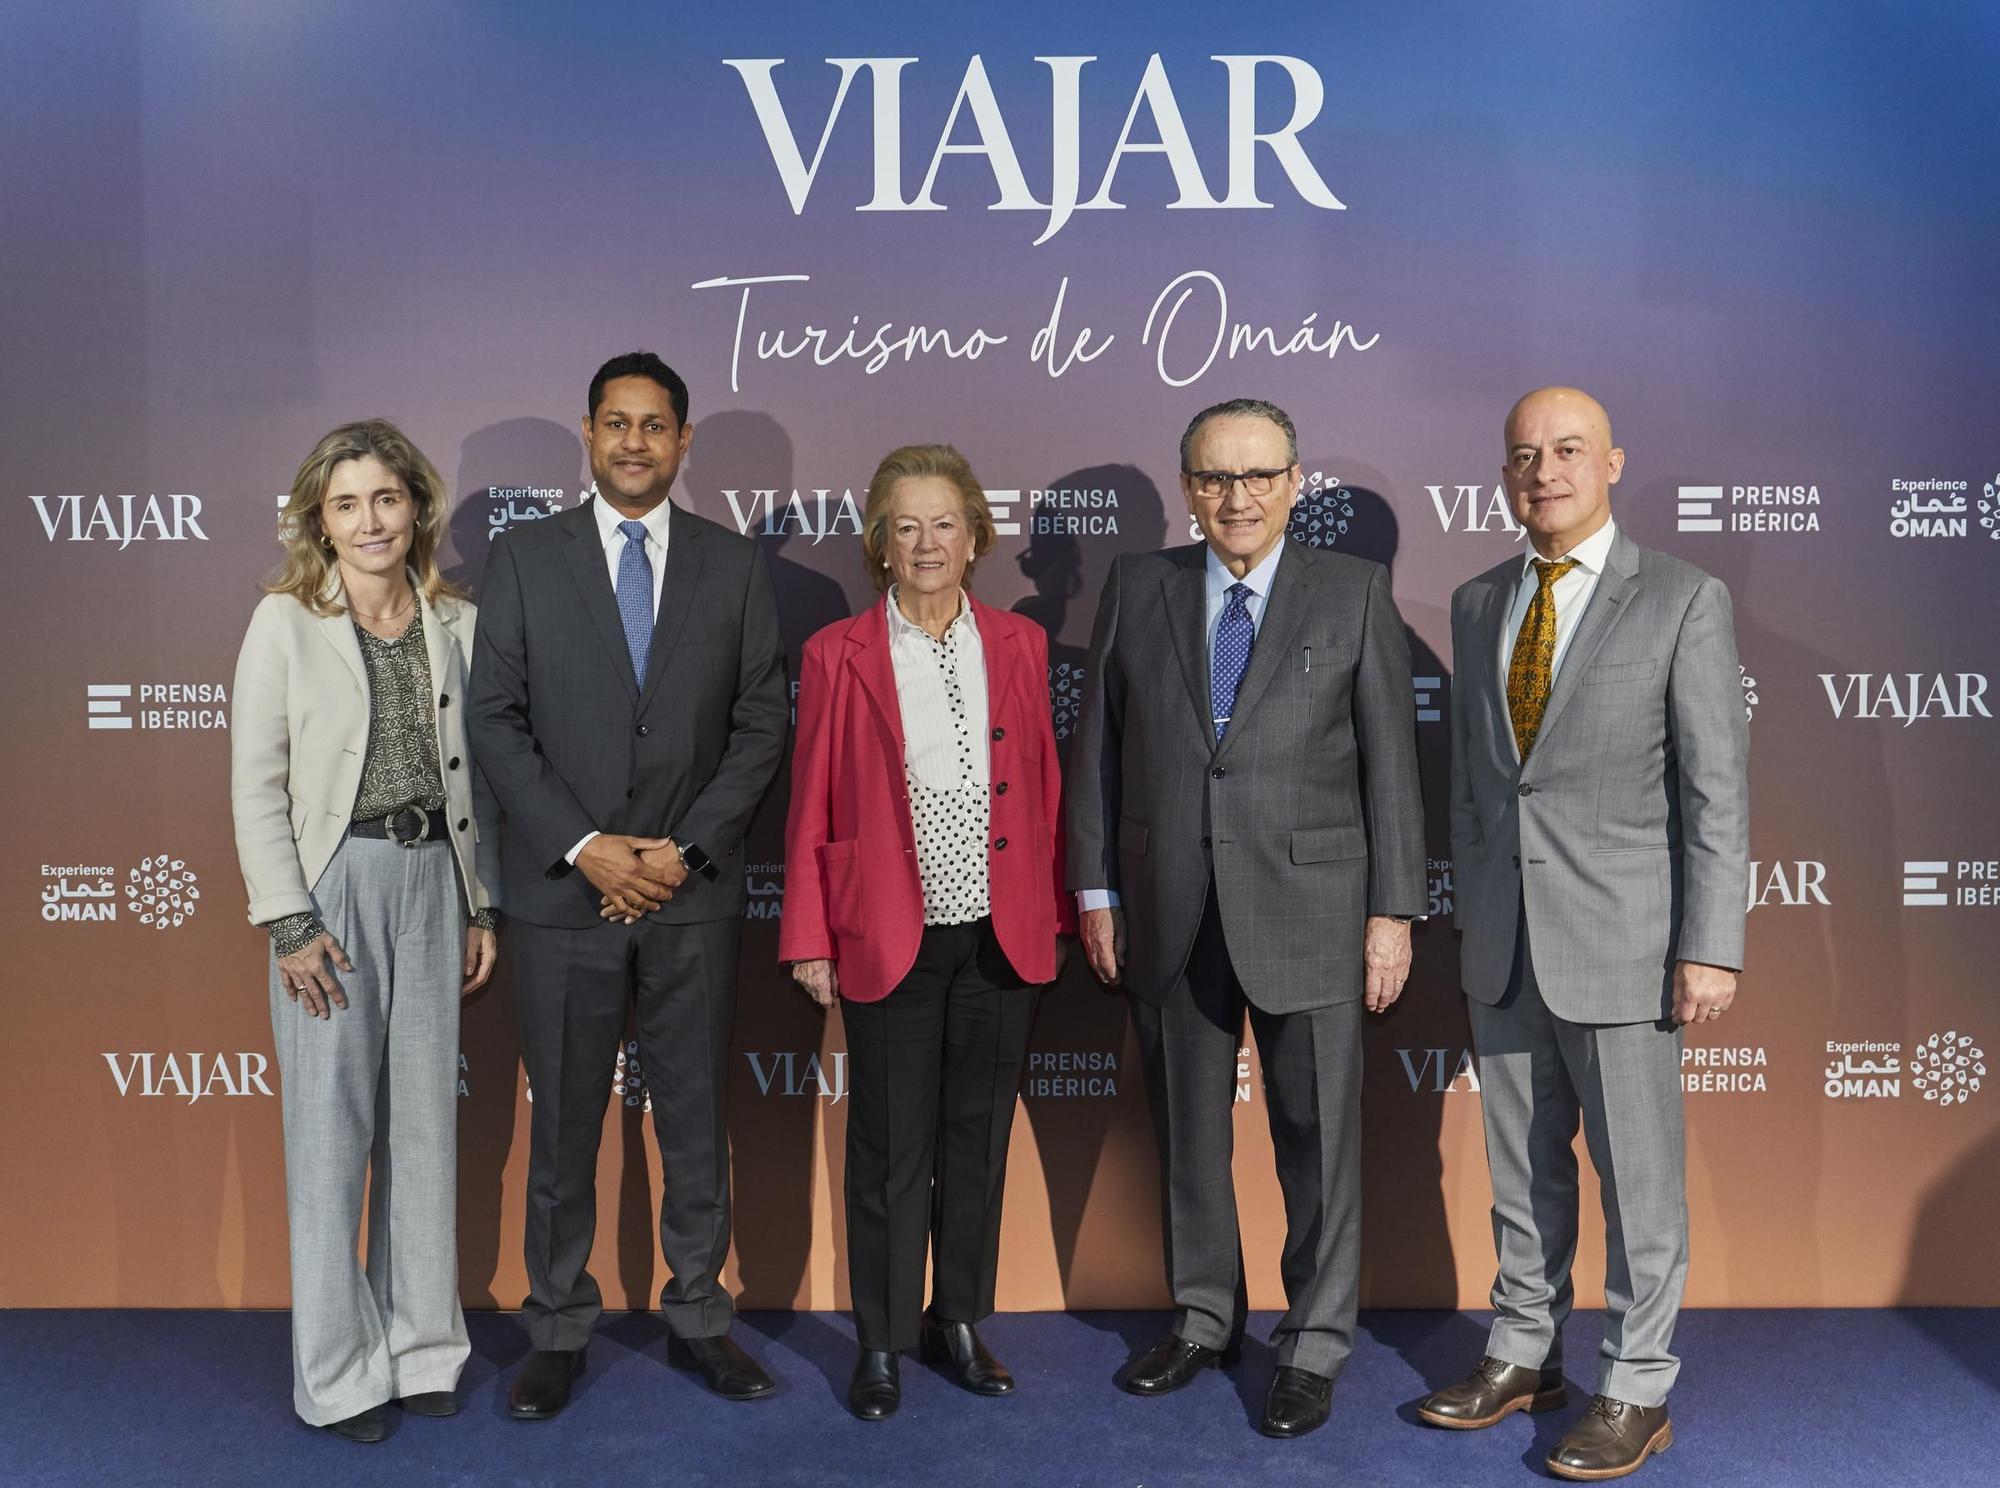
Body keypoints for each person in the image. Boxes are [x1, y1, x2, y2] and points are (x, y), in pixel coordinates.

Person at [1067, 398, 1426, 1439]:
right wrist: (1097, 890)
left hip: (1313, 910)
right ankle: (1203, 1316)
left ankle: (1310, 1345)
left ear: (1292, 482)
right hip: (1168, 907)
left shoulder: (1351, 592)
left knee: (1315, 1145)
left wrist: (1390, 913)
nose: (1237, 498)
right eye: (1216, 479)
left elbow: (1391, 771)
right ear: (1186, 489)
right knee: (1185, 1136)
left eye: (1259, 476)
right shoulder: (1140, 587)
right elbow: (1098, 747)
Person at [1421, 387, 1747, 1481]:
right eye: (1521, 454)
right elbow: (1479, 786)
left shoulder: (1681, 598)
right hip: (1502, 940)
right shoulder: (1475, 602)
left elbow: (1713, 793)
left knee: (1638, 1182)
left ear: (1612, 463)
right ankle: (1523, 1354)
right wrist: (1471, 905)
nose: (1542, 470)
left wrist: (1707, 943)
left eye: (1566, 450)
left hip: (1626, 947)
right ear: (1503, 475)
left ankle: (1636, 1382)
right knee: (1520, 1172)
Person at [467, 352, 788, 1418]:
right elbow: (497, 724)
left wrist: (678, 853)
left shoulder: (734, 566)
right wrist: (589, 847)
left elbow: (757, 726)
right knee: (562, 1123)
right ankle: (558, 1324)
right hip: (563, 897)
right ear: (589, 435)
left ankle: (699, 1315)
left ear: (682, 442)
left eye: (656, 425)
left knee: (694, 1121)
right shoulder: (522, 560)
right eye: (617, 424)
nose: (636, 442)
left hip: (690, 895)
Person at [781, 444, 1072, 1420]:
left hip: (1000, 933)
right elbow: (812, 802)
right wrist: (810, 936)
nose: (924, 542)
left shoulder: (1020, 646)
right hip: (886, 935)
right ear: (878, 542)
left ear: (974, 535)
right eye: (903, 525)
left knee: (976, 1139)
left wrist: (1055, 910)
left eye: (942, 522)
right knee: (888, 1147)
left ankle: (956, 1321)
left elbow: (1045, 789)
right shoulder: (836, 655)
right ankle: (880, 1340)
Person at [229, 419, 500, 1443]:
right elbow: (256, 782)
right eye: (346, 504)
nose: (369, 520)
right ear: (319, 520)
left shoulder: (457, 623)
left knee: (424, 1129)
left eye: (385, 498)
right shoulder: (283, 622)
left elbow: (479, 786)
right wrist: (289, 920)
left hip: (435, 879)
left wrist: (480, 902)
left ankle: (425, 1348)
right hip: (329, 892)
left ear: (415, 507)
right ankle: (338, 1375)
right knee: (330, 1141)